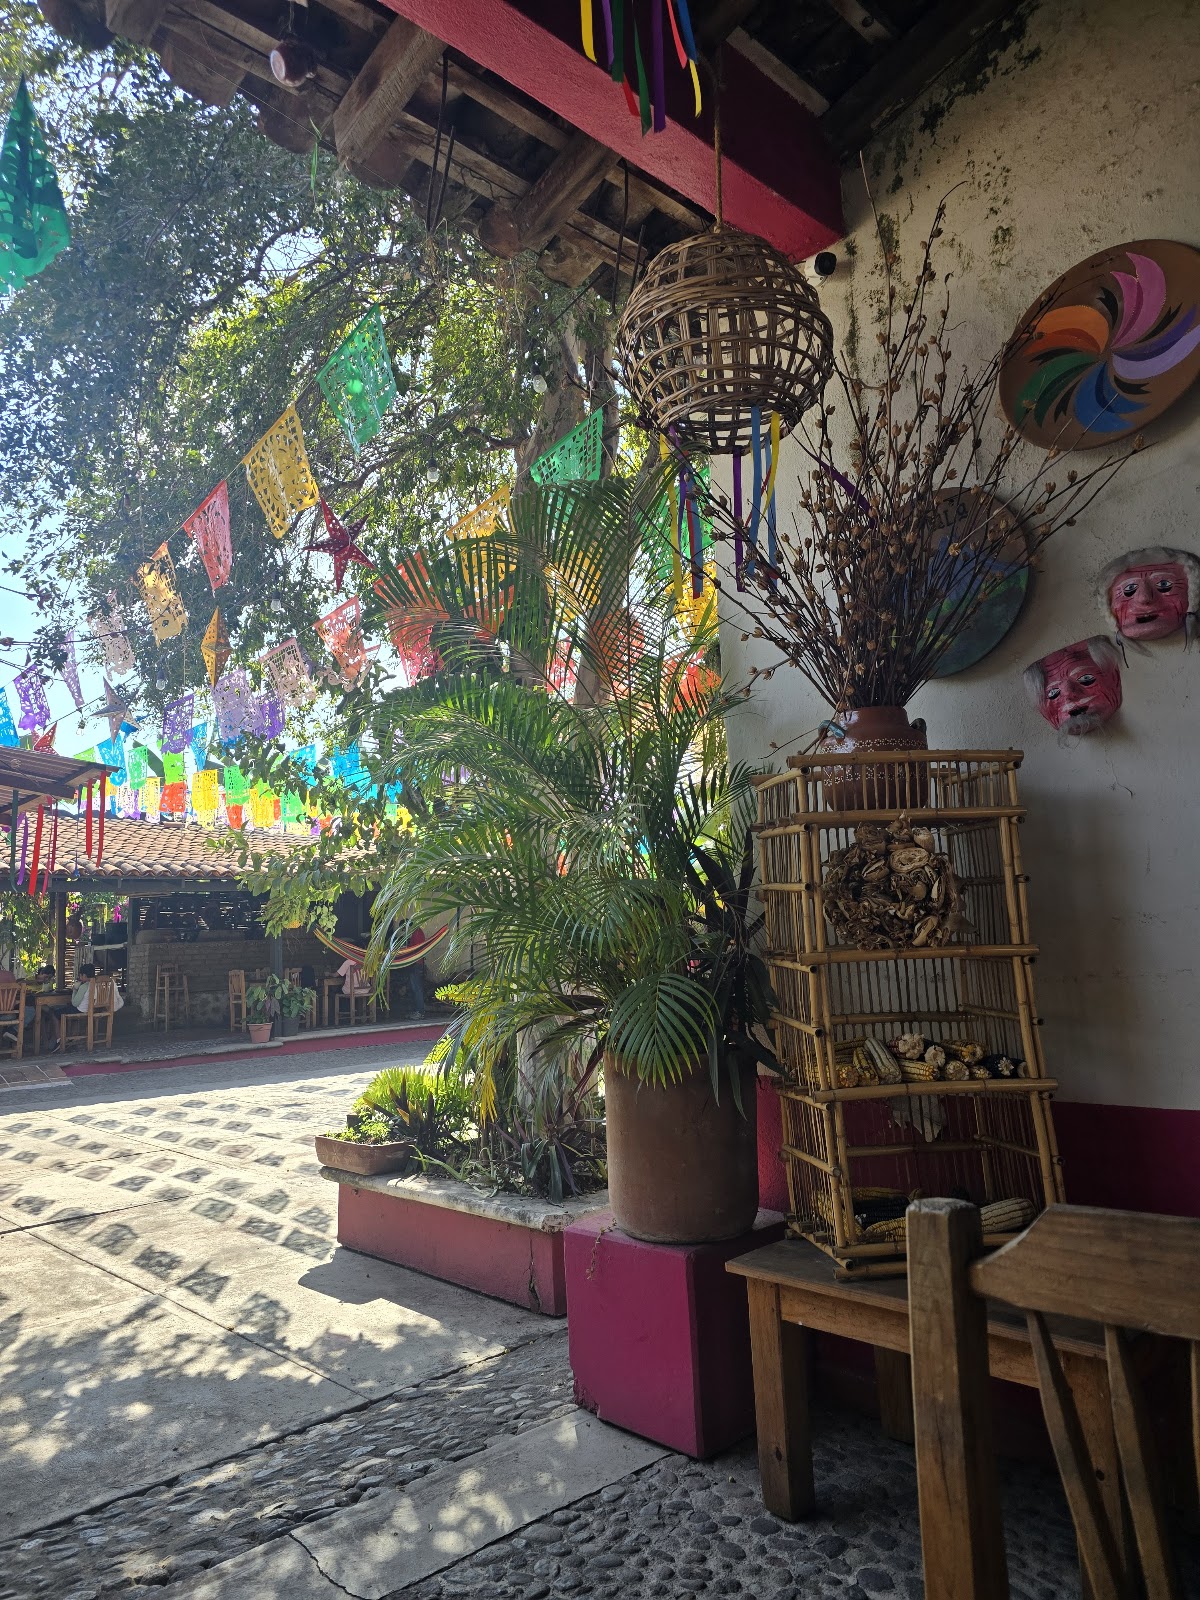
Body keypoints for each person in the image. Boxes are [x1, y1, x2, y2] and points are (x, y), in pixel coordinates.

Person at [404, 926, 427, 1019]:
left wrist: (405, 950)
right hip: (416, 962)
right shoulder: (417, 932)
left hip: (416, 963)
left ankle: (419, 1012)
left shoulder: (416, 932)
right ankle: (417, 1010)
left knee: (416, 988)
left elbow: (416, 948)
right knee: (414, 988)